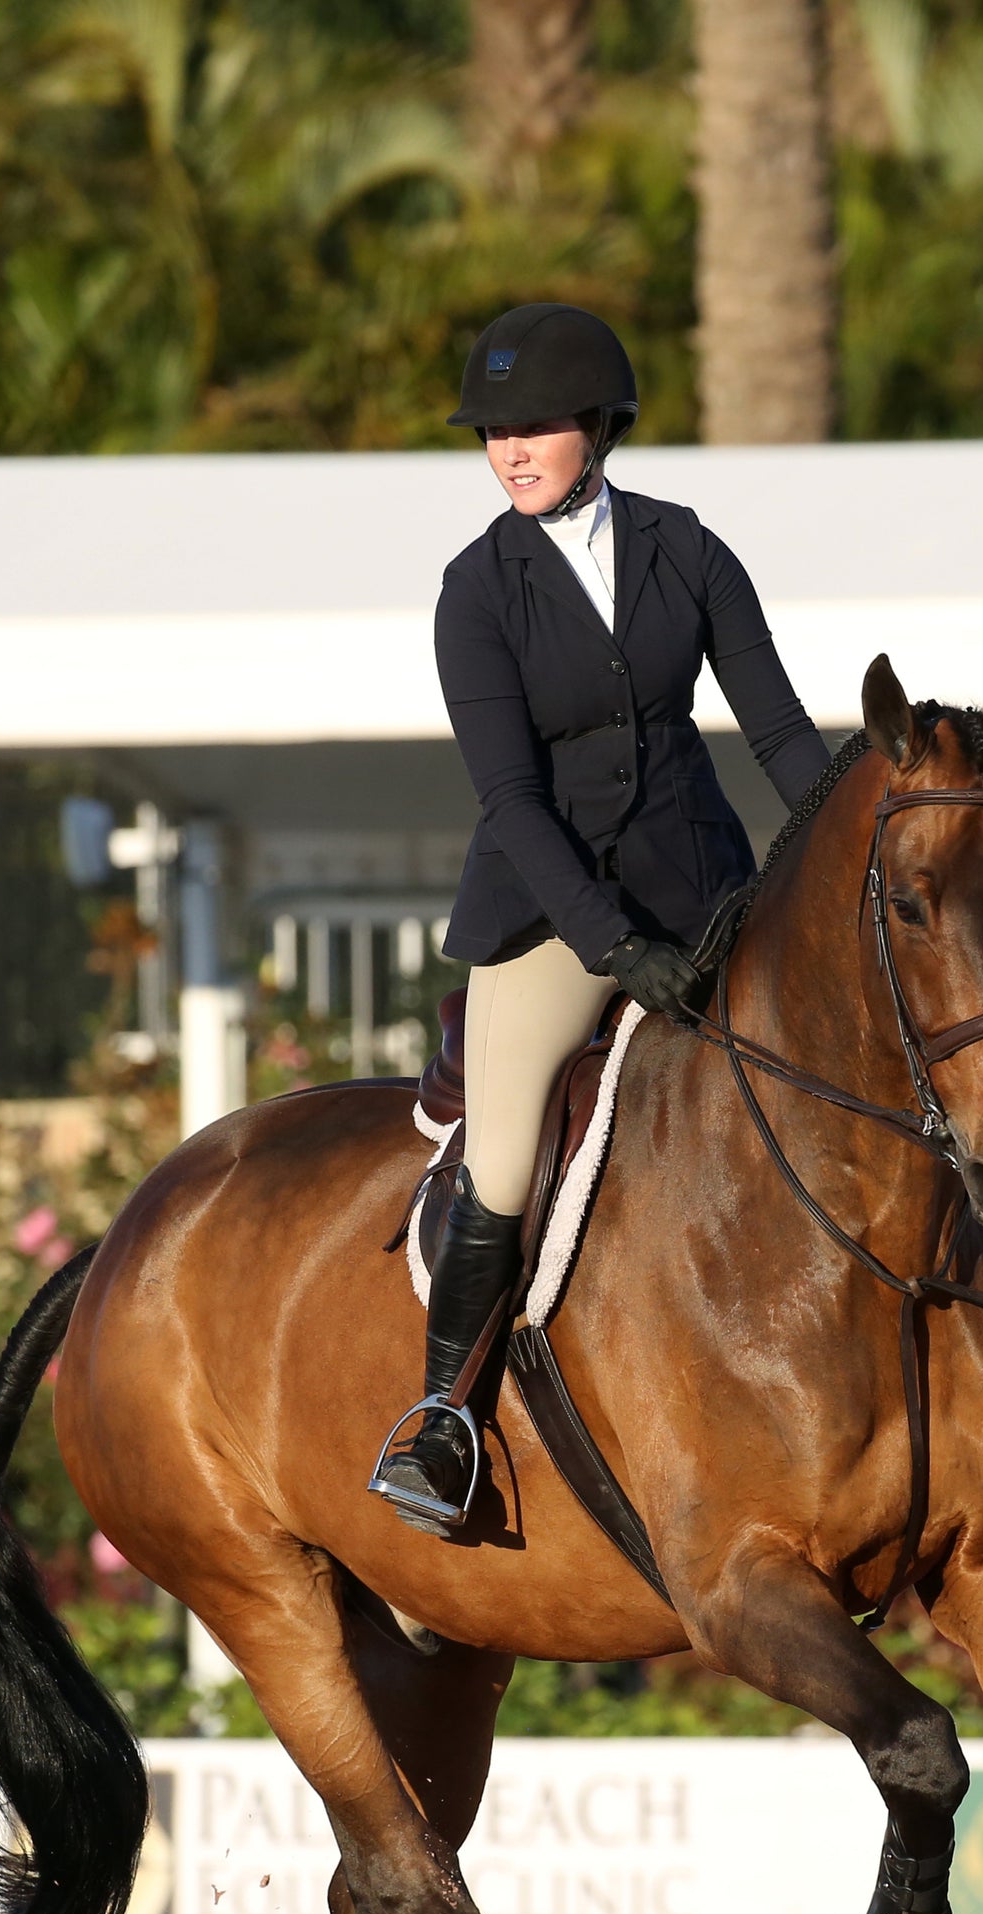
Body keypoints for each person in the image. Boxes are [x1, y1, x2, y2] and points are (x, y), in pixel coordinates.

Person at [368, 301, 835, 1535]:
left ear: (601, 426)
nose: (510, 450)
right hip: (549, 916)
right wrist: (610, 942)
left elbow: (779, 731)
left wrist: (851, 831)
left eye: (535, 427)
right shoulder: (478, 592)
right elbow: (512, 798)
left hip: (706, 887)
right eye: (493, 432)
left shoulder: (689, 552)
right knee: (511, 1153)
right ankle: (442, 1424)